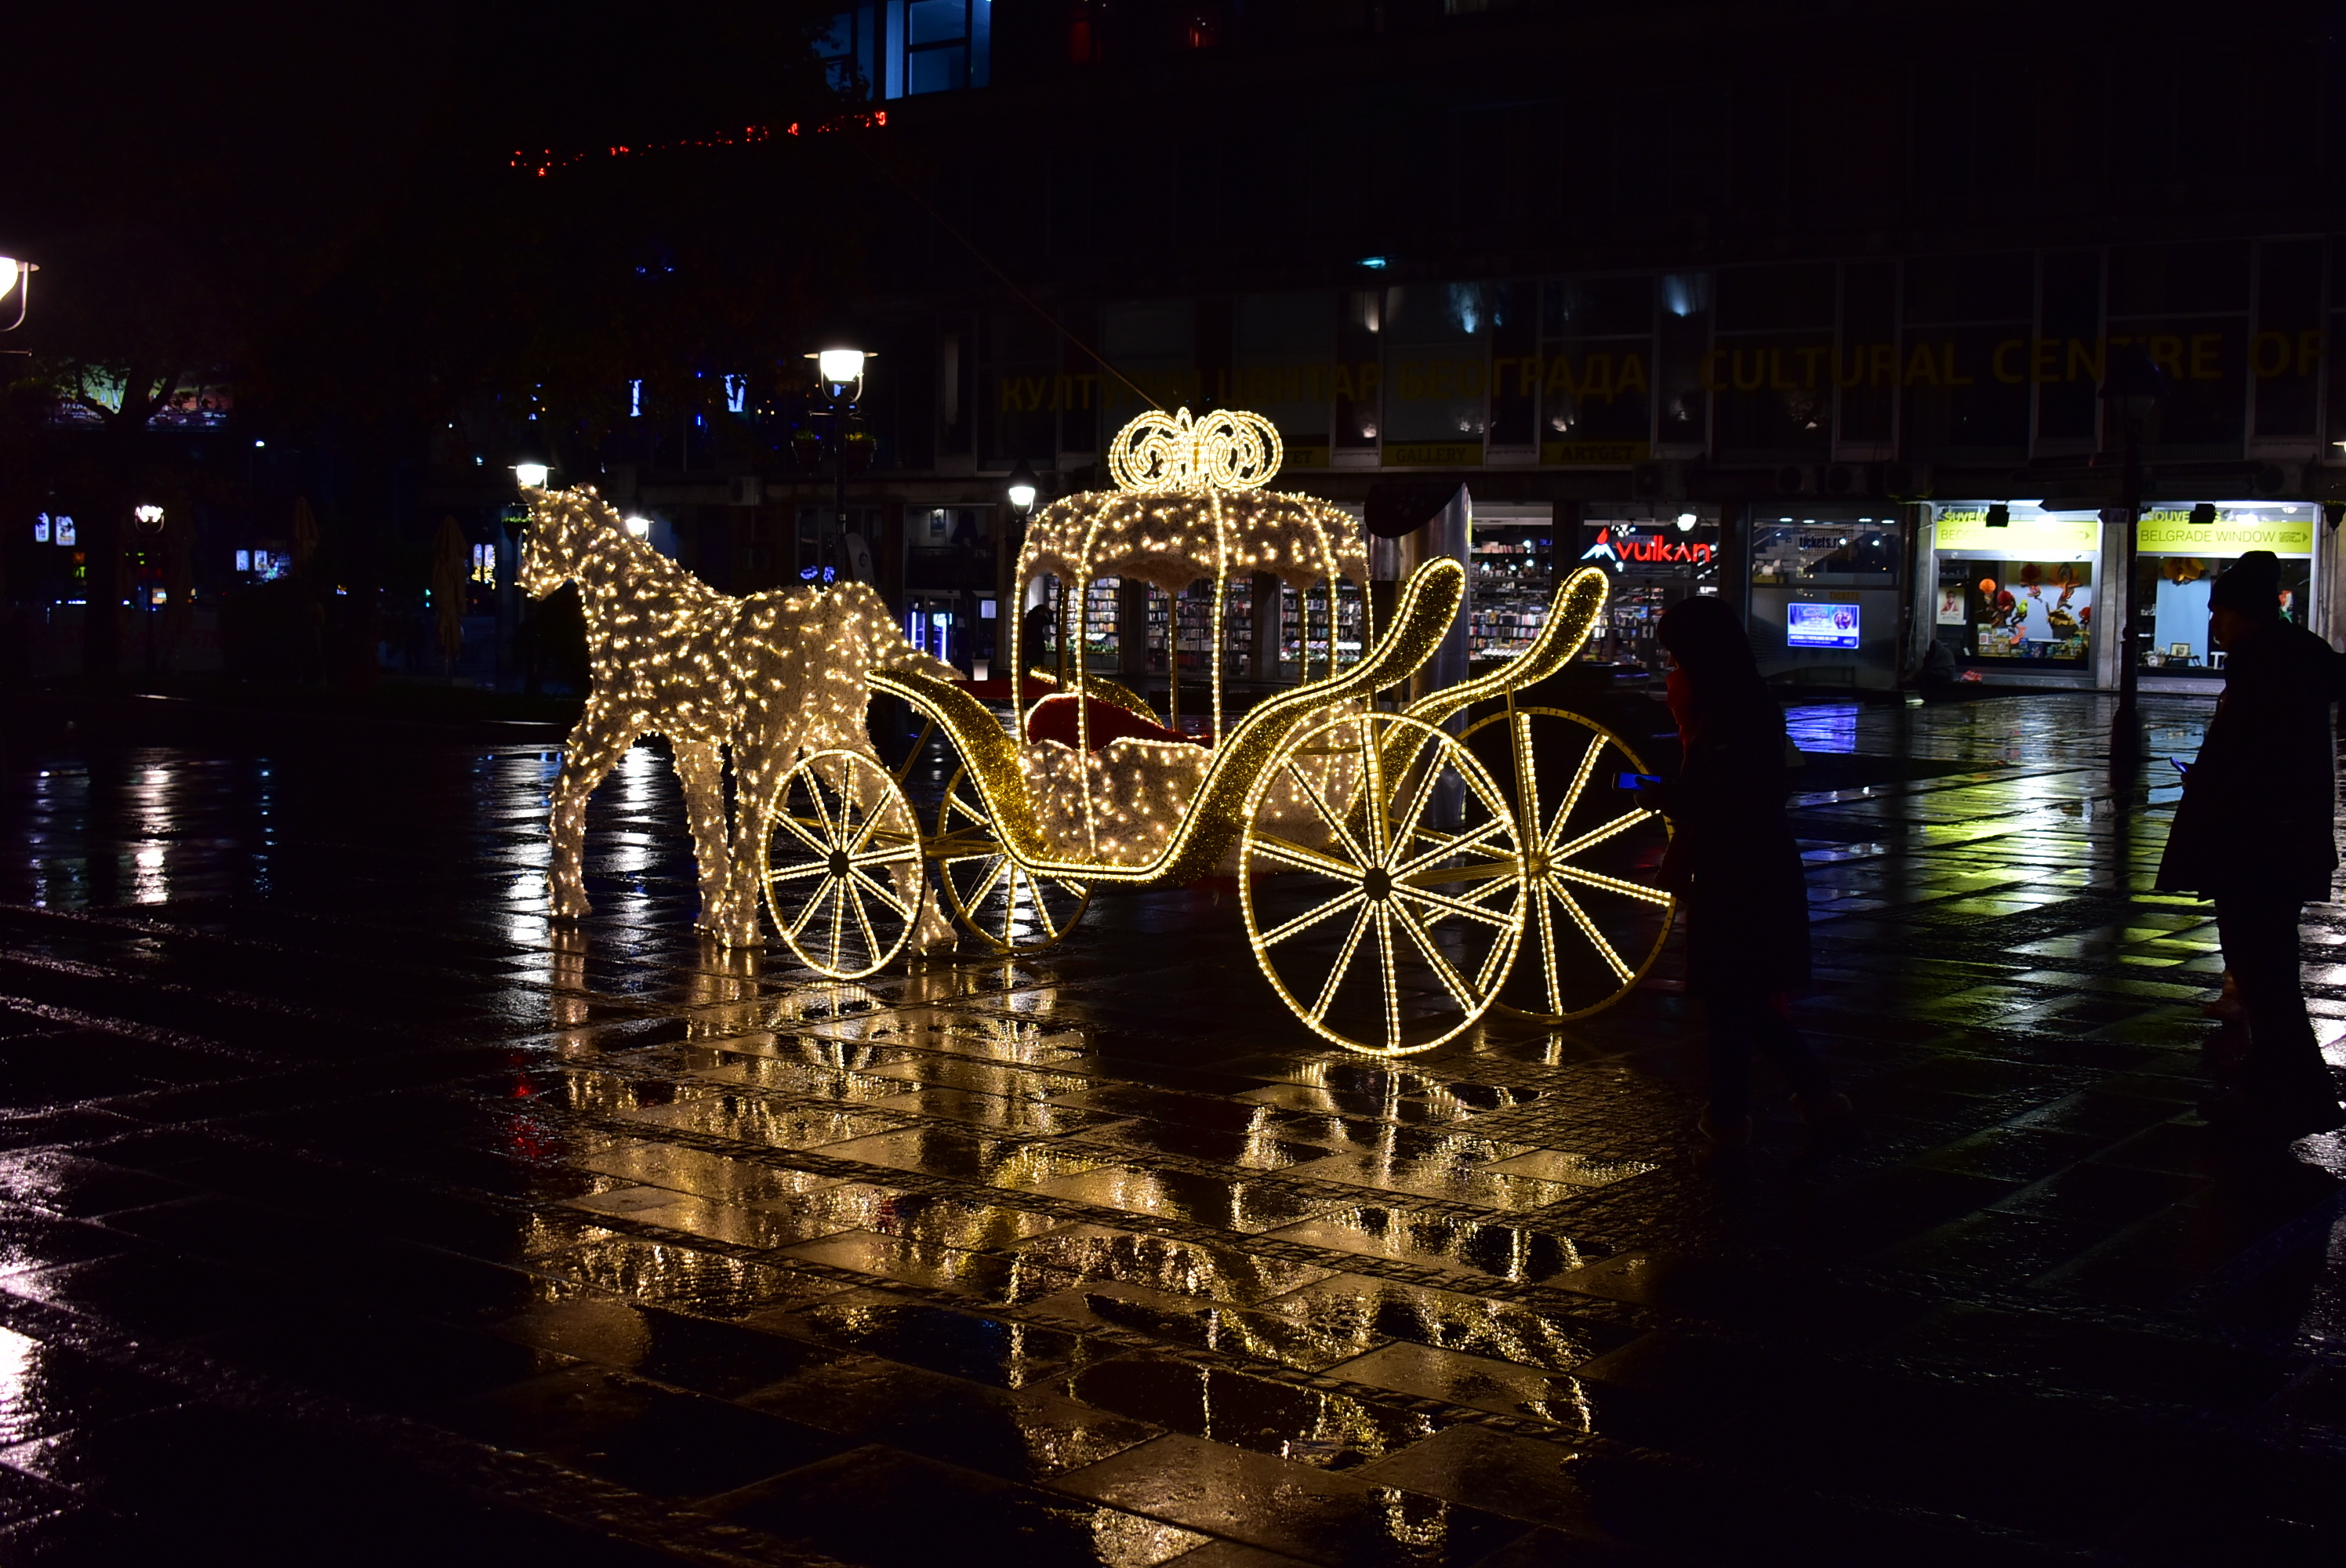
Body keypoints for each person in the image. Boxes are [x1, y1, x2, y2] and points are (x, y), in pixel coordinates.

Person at [1649, 596, 1860, 1155]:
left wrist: (1665, 796)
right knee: (1739, 999)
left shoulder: (1725, 713)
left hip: (1738, 874)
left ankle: (1741, 1114)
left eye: (1677, 658)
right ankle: (1795, 1102)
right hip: (1753, 867)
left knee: (1732, 998)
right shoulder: (1742, 701)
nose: (1672, 671)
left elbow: (1726, 797)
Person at [2156, 550, 2346, 1143]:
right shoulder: (2285, 660)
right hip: (2274, 841)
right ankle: (2279, 1086)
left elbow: (2257, 762)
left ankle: (2298, 1095)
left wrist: (2212, 784)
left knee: (2265, 974)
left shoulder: (2267, 668)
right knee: (2267, 974)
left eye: (2221, 612)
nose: (2215, 623)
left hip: (2257, 846)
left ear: (2246, 614)